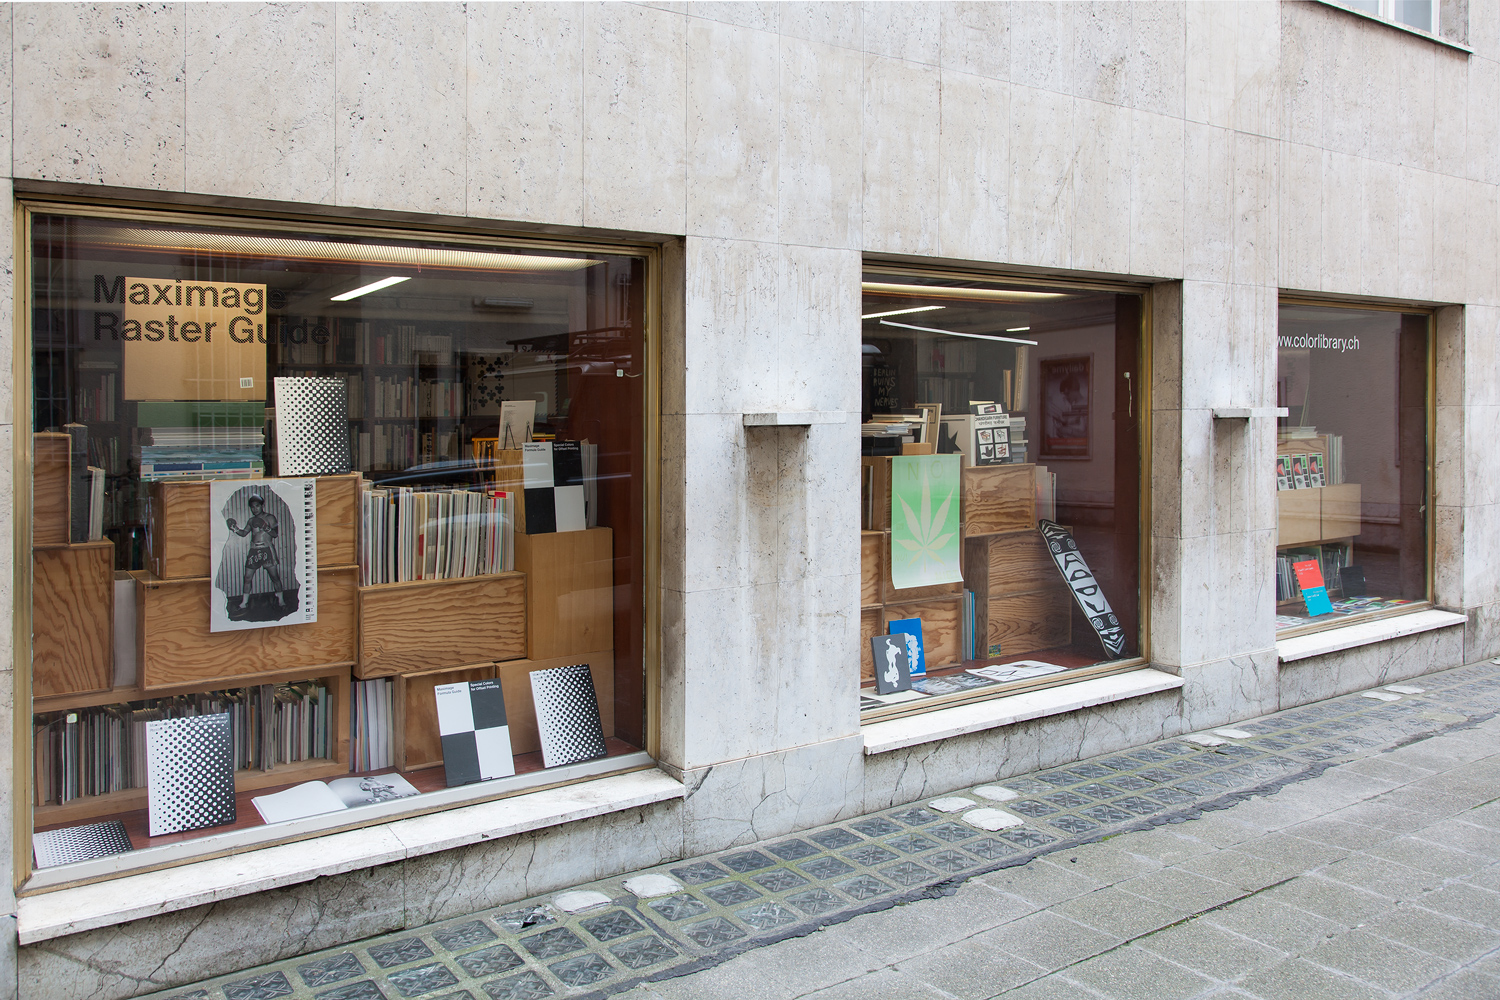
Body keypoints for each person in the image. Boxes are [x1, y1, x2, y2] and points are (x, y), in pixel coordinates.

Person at [226, 495, 285, 609]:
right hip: (254, 551)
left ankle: (281, 601)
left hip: (267, 549)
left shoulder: (270, 517)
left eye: (257, 506)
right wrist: (235, 528)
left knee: (274, 577)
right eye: (252, 507)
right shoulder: (251, 520)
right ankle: (244, 603)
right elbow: (244, 533)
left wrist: (265, 527)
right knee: (247, 577)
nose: (255, 509)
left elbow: (275, 534)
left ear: (262, 505)